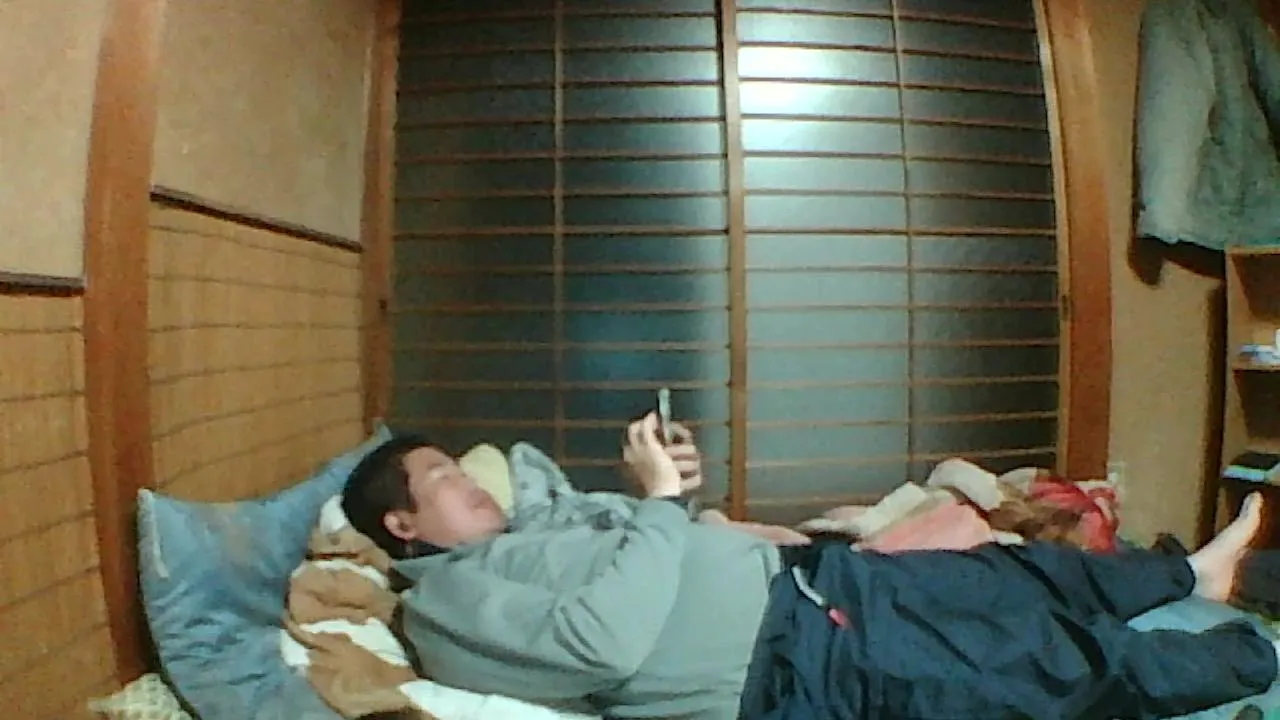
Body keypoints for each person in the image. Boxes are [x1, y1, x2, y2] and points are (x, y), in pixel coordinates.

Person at [341, 414, 1280, 720]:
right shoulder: (446, 603)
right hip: (795, 666)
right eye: (445, 481)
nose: (474, 485)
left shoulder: (532, 528)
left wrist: (678, 500)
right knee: (1039, 667)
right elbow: (603, 641)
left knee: (1014, 572)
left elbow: (656, 549)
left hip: (813, 583)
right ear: (402, 524)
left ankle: (1184, 579)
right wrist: (660, 508)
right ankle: (1259, 660)